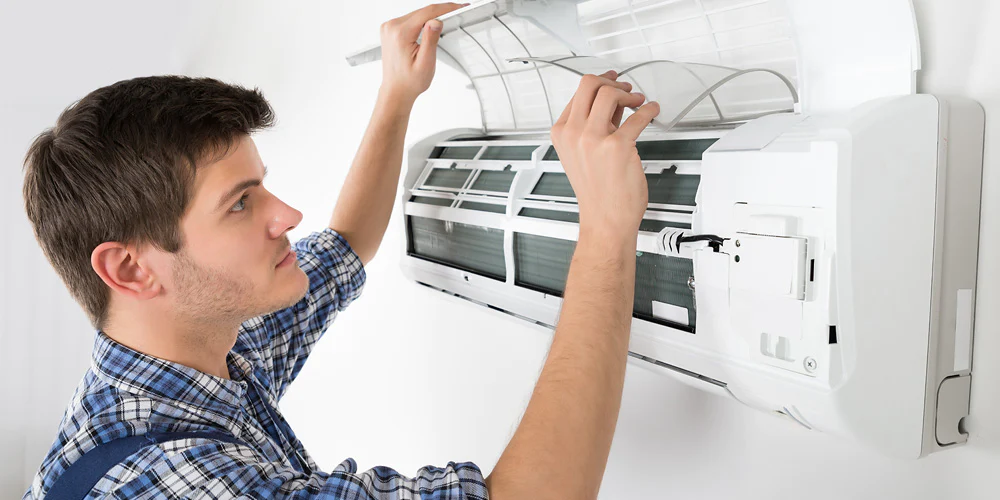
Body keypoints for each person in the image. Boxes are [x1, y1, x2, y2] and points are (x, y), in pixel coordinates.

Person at [21, 2, 660, 498]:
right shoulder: (166, 479)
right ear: (130, 268)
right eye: (241, 203)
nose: (287, 216)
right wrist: (605, 226)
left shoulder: (199, 358)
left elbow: (346, 247)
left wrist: (398, 94)